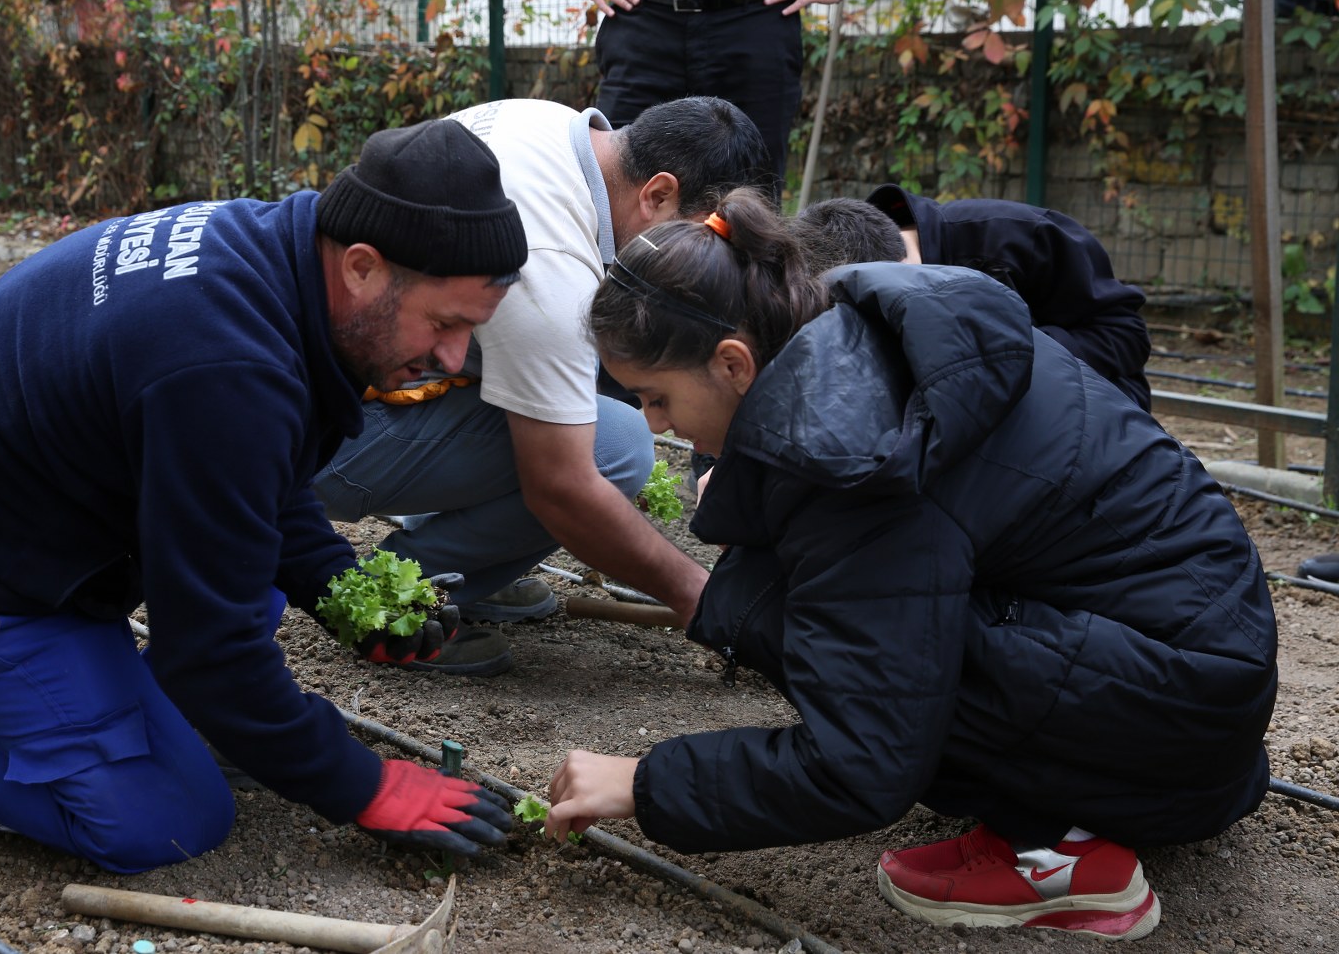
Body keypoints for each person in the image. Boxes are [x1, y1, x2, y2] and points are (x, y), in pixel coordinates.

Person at [0, 119, 525, 873]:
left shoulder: (272, 260)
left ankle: (128, 718)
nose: (451, 358)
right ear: (362, 265)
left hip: (26, 530)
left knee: (237, 601)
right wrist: (364, 785)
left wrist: (344, 592)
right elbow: (210, 649)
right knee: (164, 814)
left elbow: (258, 486)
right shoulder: (228, 366)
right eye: (446, 323)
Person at [545, 188, 1278, 940]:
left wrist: (646, 781)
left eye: (656, 397)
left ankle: (1058, 854)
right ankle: (1066, 796)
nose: (653, 424)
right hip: (1190, 674)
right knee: (814, 607)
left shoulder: (852, 450)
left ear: (733, 362)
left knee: (824, 629)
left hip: (1178, 705)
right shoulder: (858, 327)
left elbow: (863, 759)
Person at [313, 96, 771, 675]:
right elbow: (563, 486)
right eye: (695, 239)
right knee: (615, 450)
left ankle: (468, 571)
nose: (693, 266)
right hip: (326, 432)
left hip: (347, 380)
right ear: (657, 194)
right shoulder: (552, 265)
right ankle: (401, 599)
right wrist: (700, 597)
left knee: (575, 418)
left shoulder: (544, 123)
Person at [521, 0, 929, 193]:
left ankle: (748, 306)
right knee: (615, 182)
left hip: (756, 23)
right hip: (643, 21)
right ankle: (622, 303)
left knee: (750, 191)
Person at [798, 187, 1153, 410]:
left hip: (1092, 405)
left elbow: (1126, 335)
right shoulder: (835, 280)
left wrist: (1003, 351)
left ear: (900, 268)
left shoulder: (1017, 236)